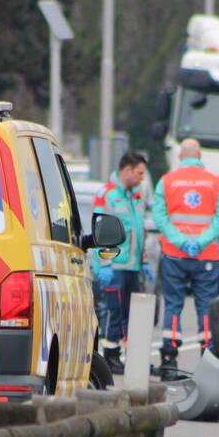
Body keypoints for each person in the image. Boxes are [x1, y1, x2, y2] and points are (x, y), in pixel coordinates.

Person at [152, 138, 219, 381]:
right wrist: (202, 241)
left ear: (180, 156)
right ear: (200, 154)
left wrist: (180, 241)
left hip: (175, 254)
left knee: (173, 304)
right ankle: (208, 358)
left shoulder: (167, 181)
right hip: (205, 256)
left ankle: (170, 359)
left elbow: (159, 216)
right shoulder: (215, 182)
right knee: (206, 305)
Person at [93, 151, 153, 374]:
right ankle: (110, 356)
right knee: (113, 312)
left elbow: (140, 231)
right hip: (115, 266)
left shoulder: (136, 196)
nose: (142, 178)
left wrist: (144, 260)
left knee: (131, 314)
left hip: (132, 267)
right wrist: (104, 263)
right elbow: (100, 229)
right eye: (139, 173)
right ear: (127, 170)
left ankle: (128, 356)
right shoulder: (107, 195)